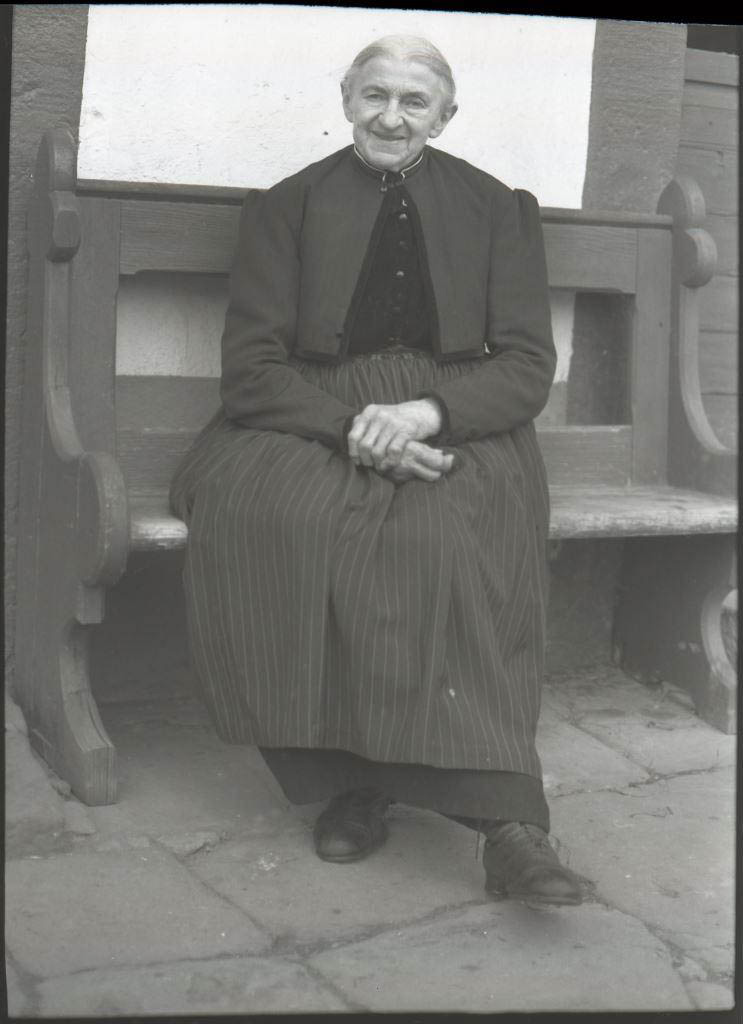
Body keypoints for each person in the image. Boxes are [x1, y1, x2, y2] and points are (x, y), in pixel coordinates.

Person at [170, 34, 584, 907]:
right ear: (347, 101)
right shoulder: (286, 207)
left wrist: (425, 414)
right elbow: (250, 369)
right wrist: (352, 426)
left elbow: (524, 365)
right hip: (309, 412)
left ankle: (510, 824)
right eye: (374, 96)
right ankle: (355, 781)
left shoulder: (495, 208)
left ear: (445, 115)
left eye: (413, 101)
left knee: (453, 528)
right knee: (288, 519)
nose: (391, 117)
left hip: (451, 411)